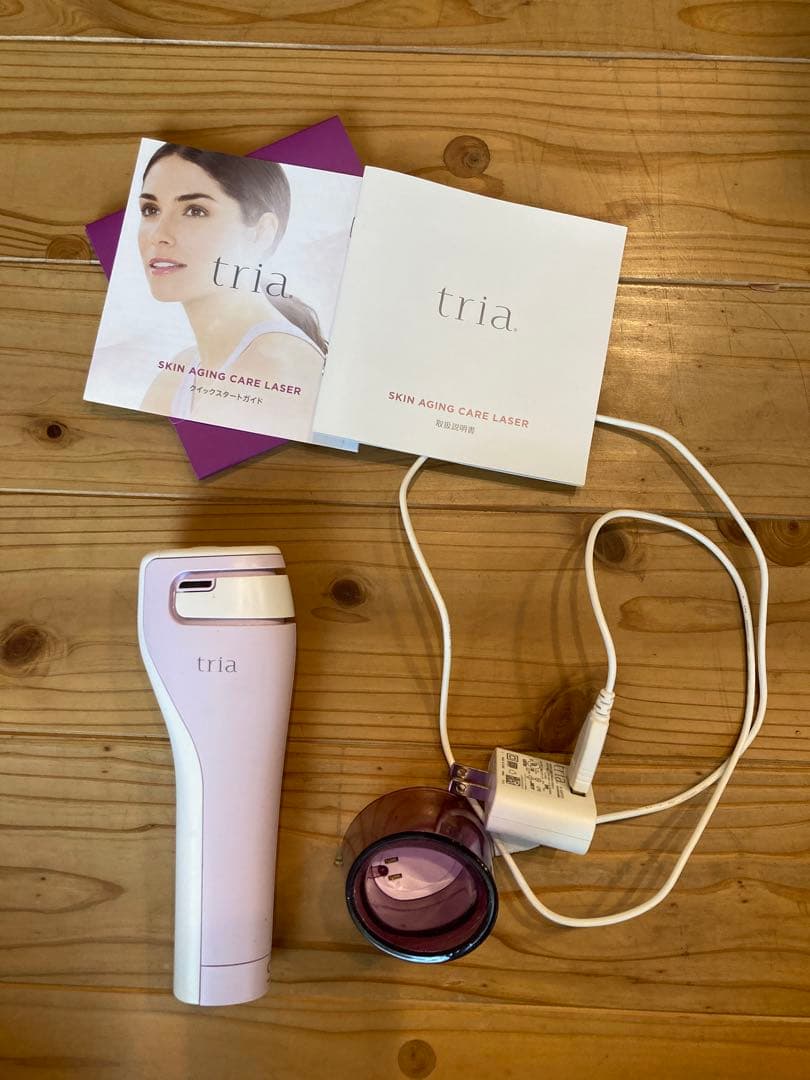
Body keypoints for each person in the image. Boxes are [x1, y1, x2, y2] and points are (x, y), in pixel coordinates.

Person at [137, 142, 327, 439]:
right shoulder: (181, 370)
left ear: (261, 233)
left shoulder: (279, 367)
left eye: (195, 211)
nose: (158, 235)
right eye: (151, 209)